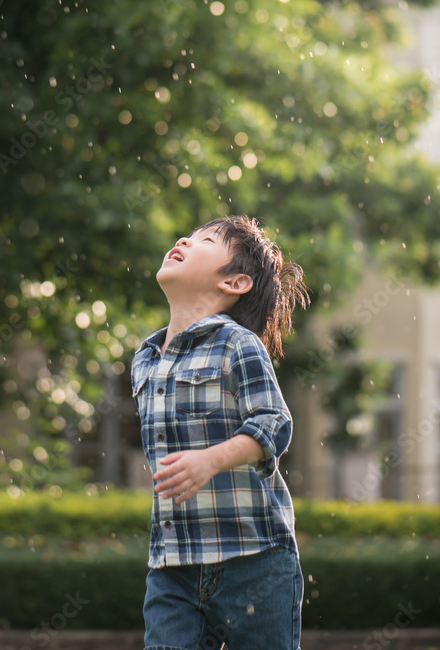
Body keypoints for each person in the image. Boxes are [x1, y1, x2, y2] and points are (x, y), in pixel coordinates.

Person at [130, 214, 310, 650]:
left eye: (204, 240)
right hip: (173, 567)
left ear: (235, 283)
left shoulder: (237, 344)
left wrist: (208, 460)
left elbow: (273, 423)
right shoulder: (145, 359)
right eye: (187, 236)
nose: (184, 241)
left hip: (254, 560)